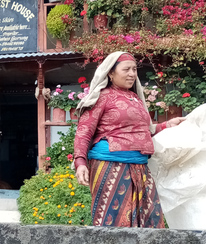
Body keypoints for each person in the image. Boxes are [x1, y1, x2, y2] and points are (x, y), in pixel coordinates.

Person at [73, 51, 185, 227]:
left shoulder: (135, 98)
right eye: (126, 69)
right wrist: (80, 162)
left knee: (151, 222)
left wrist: (167, 125)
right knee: (115, 223)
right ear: (111, 73)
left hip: (140, 166)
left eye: (134, 69)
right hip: (110, 165)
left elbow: (144, 130)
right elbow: (84, 130)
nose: (132, 74)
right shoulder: (101, 97)